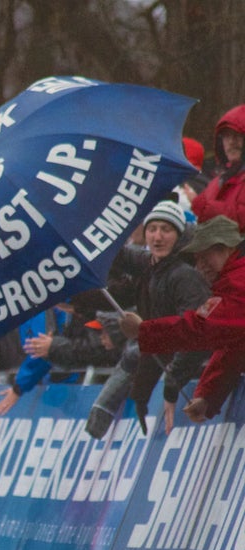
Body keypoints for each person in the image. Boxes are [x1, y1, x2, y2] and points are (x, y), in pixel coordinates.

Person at [121, 216, 245, 425]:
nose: (200, 266)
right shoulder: (229, 283)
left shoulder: (238, 283)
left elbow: (201, 330)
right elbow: (234, 347)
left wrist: (144, 331)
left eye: (205, 257)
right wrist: (208, 397)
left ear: (225, 249)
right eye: (197, 259)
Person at [104, 200, 210, 435]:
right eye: (152, 229)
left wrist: (172, 385)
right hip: (175, 371)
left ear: (179, 235)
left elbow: (196, 335)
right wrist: (141, 395)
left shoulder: (184, 276)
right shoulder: (151, 265)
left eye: (166, 229)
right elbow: (119, 255)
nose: (157, 237)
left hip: (203, 378)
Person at [192, 104, 245, 231]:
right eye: (226, 136)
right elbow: (199, 207)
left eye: (238, 136)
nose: (231, 142)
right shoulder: (219, 180)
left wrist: (212, 210)